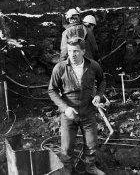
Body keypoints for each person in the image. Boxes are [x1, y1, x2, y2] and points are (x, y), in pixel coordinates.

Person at [48, 36, 106, 175]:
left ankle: (90, 167)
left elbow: (102, 80)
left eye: (76, 51)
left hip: (88, 110)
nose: (72, 55)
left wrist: (98, 95)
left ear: (83, 51)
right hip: (69, 113)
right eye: (69, 51)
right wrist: (65, 108)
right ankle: (67, 169)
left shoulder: (93, 66)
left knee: (91, 144)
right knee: (67, 146)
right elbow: (52, 90)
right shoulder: (60, 68)